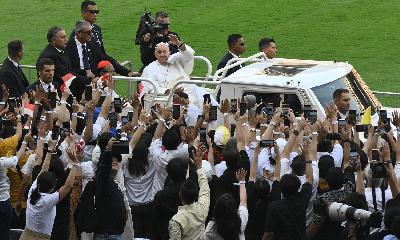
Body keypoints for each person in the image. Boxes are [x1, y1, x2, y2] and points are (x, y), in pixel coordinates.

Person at [78, 1, 138, 77]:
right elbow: (100, 56)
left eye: (96, 12)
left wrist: (116, 63)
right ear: (83, 13)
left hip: (98, 74)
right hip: (88, 77)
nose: (95, 15)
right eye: (92, 12)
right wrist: (126, 72)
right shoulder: (80, 34)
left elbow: (102, 53)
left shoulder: (96, 29)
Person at [37, 26, 92, 100]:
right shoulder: (50, 56)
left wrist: (85, 72)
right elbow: (66, 75)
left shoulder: (60, 50)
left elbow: (69, 70)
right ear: (53, 40)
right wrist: (89, 80)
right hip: (57, 97)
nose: (66, 40)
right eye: (62, 37)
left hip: (66, 93)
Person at [168, 148, 210, 240]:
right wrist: (199, 168)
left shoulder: (176, 220)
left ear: (180, 195)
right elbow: (205, 189)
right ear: (196, 196)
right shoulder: (202, 208)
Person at [203, 169, 248, 240]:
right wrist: (242, 181)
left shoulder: (211, 229)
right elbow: (243, 201)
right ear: (234, 208)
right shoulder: (241, 219)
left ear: (216, 210)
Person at [216, 34, 245, 102]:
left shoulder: (239, 59)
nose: (244, 46)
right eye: (241, 44)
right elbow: (223, 86)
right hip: (229, 99)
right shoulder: (225, 63)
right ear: (234, 46)